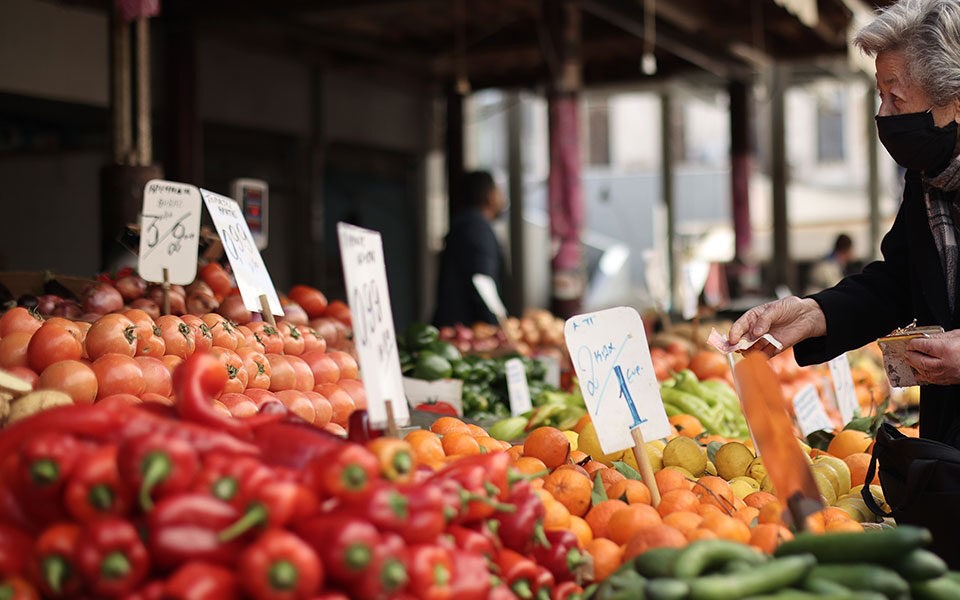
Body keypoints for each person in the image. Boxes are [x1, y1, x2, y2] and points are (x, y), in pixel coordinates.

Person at [728, 0, 960, 447]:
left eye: (897, 96)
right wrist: (814, 313)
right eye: (879, 95)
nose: (883, 115)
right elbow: (899, 282)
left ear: (954, 102)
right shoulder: (927, 180)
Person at [433, 171, 507, 328]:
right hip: (466, 329)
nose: (502, 196)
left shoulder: (464, 225)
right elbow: (482, 282)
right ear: (489, 195)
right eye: (498, 190)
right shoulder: (477, 228)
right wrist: (498, 329)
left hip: (452, 326)